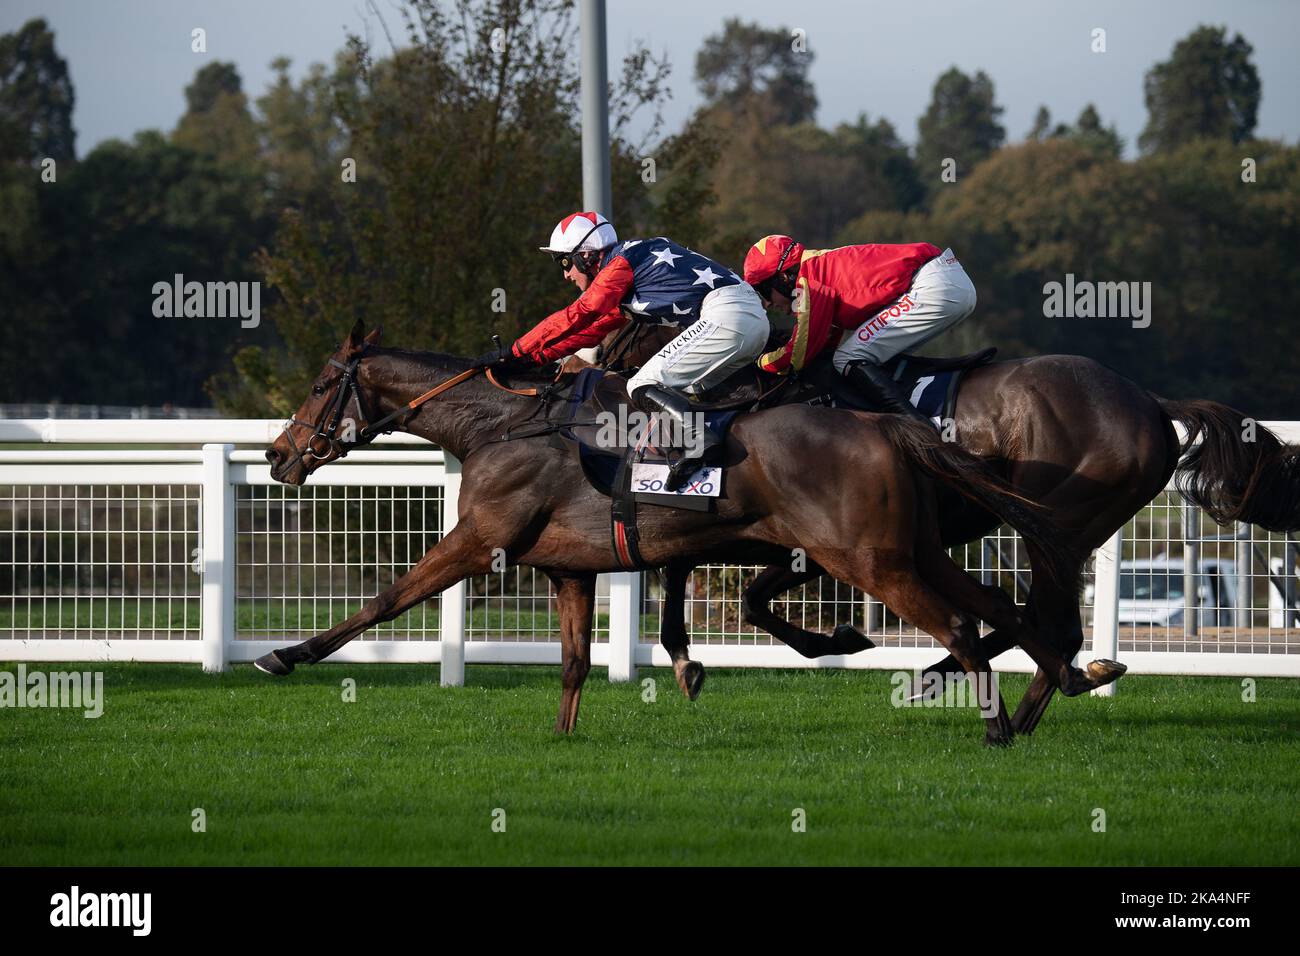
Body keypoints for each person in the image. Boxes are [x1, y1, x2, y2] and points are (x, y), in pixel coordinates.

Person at [480, 212, 770, 490]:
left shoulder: (621, 263)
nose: (566, 274)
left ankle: (701, 443)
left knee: (642, 384)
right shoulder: (628, 278)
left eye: (565, 262)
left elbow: (579, 313)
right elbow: (589, 332)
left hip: (729, 315)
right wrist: (531, 359)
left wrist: (516, 349)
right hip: (748, 322)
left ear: (587, 255)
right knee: (690, 388)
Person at [741, 235, 977, 422]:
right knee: (868, 358)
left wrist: (759, 361)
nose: (768, 304)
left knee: (850, 357)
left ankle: (916, 427)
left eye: (763, 291)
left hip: (934, 285)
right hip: (945, 278)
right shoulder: (817, 270)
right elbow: (825, 338)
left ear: (782, 277)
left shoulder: (808, 282)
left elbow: (798, 356)